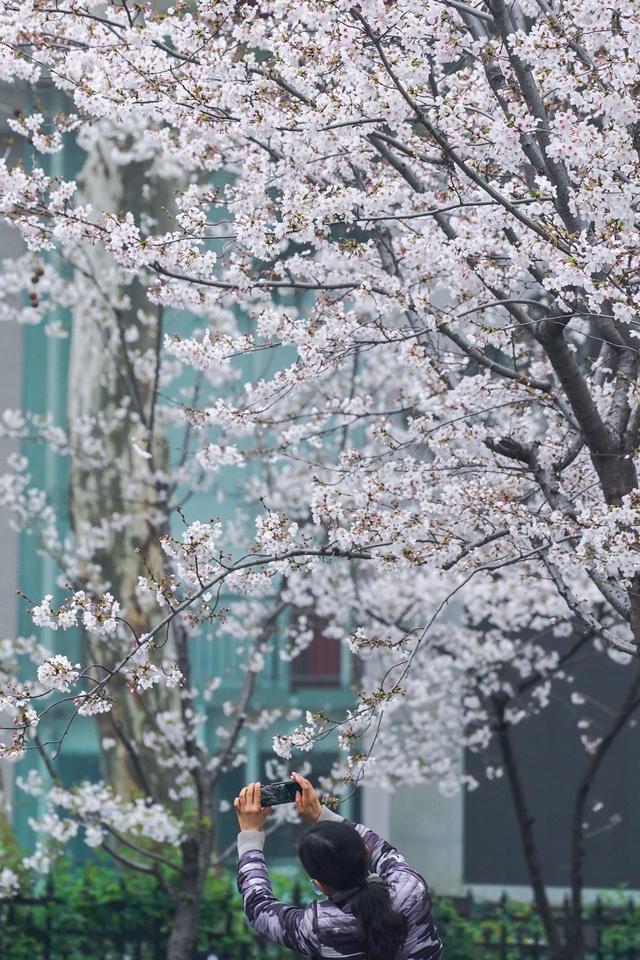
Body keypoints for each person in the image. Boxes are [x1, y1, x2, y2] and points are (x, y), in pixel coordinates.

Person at [234, 772, 443, 960]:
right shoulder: (410, 889)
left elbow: (259, 908)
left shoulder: (318, 928)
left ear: (319, 885)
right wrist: (321, 815)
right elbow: (383, 851)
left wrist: (250, 833)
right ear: (366, 853)